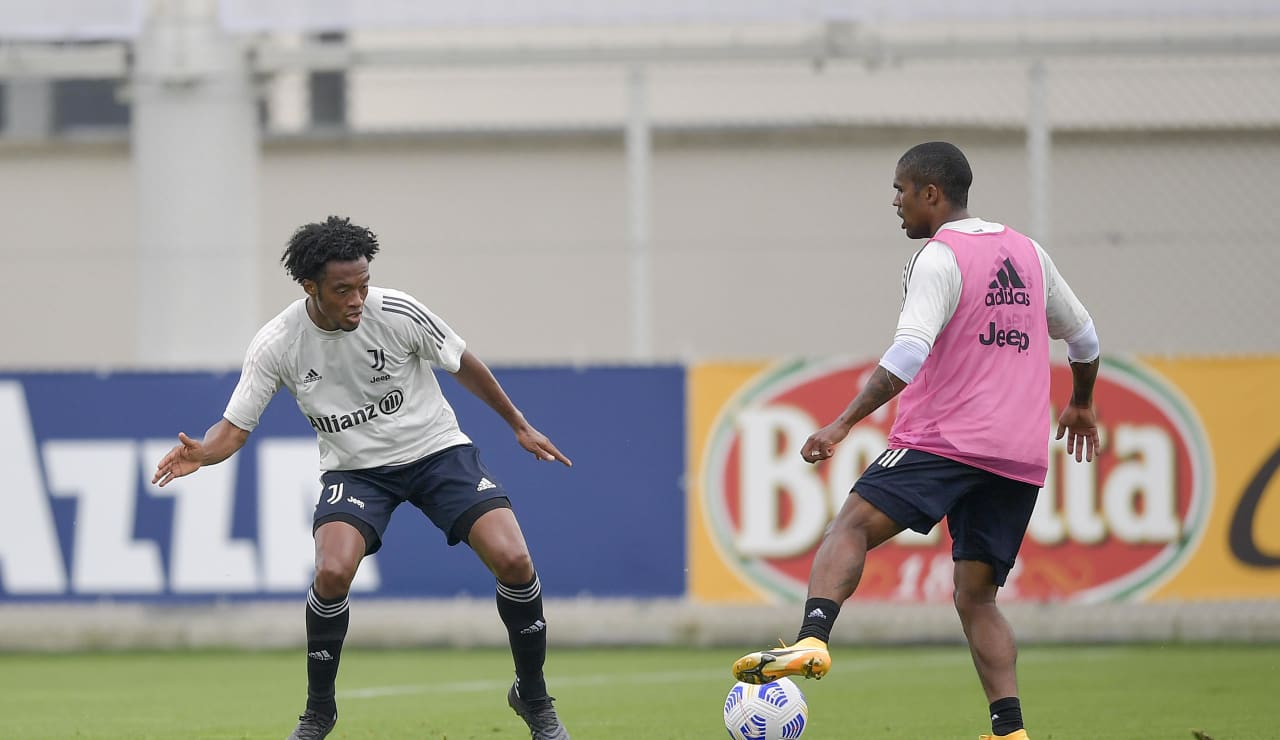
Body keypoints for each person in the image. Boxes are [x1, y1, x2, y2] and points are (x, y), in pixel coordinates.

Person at [730, 142, 1101, 740]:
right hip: (1019, 455)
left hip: (945, 440)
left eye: (901, 190)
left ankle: (812, 640)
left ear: (932, 193)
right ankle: (1010, 730)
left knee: (849, 527)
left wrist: (843, 422)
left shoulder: (939, 257)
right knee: (977, 598)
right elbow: (1084, 339)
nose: (896, 203)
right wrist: (1081, 402)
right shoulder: (1029, 253)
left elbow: (908, 350)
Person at [152, 216, 573, 740]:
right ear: (310, 287)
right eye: (343, 289)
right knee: (331, 572)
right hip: (355, 471)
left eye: (363, 284)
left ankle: (533, 697)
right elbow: (234, 429)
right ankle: (318, 712)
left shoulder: (396, 312)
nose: (357, 298)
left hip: (437, 453)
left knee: (514, 559)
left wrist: (519, 424)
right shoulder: (278, 342)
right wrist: (206, 453)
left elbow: (462, 362)